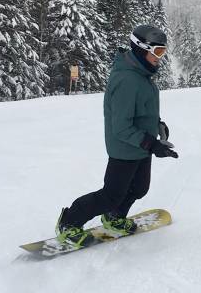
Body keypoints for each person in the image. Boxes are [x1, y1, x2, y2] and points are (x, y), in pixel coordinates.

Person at [55, 24, 179, 247]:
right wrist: (152, 144)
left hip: (141, 146)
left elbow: (141, 110)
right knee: (110, 195)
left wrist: (157, 126)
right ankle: (69, 221)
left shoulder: (141, 76)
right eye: (157, 52)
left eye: (163, 51)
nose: (161, 57)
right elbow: (121, 127)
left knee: (140, 188)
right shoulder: (127, 80)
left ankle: (114, 217)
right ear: (142, 49)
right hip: (125, 147)